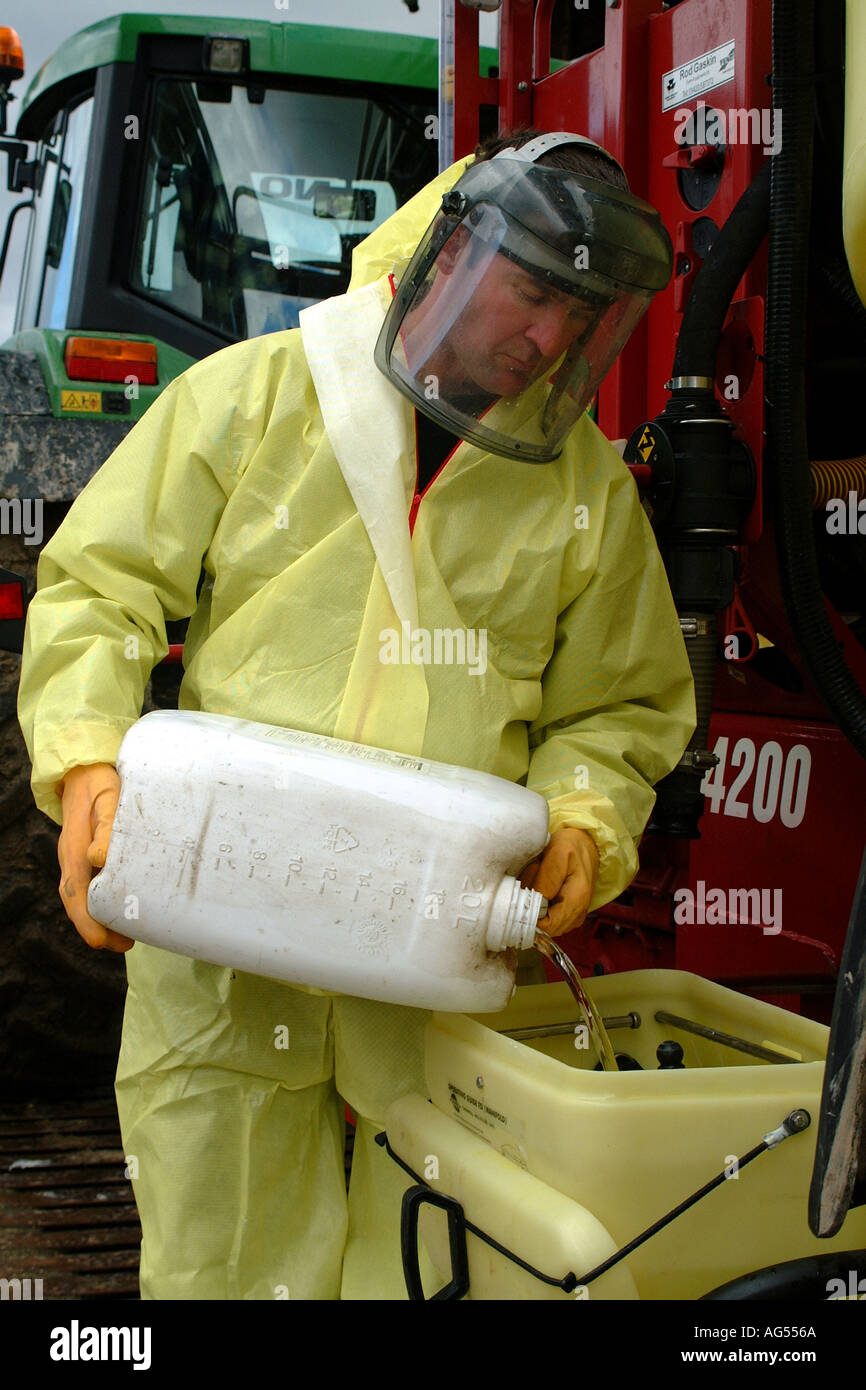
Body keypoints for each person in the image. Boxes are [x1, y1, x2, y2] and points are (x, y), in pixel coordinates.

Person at [17, 129, 696, 1300]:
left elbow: (620, 701)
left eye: (574, 314)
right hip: (223, 934)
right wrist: (85, 762)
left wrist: (585, 817)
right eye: (529, 290)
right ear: (446, 255)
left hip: (433, 957)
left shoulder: (579, 488)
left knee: (430, 1252)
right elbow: (98, 589)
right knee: (225, 1265)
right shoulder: (253, 395)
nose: (545, 338)